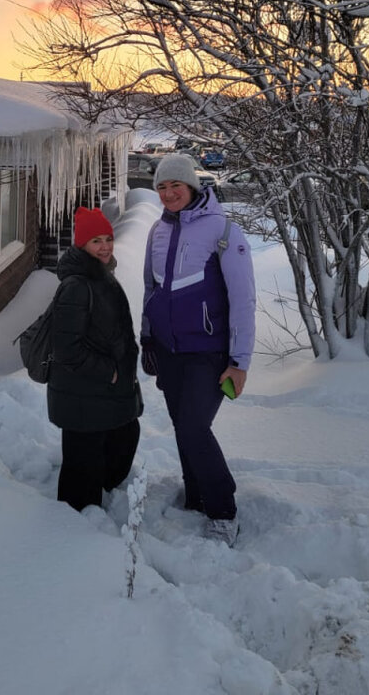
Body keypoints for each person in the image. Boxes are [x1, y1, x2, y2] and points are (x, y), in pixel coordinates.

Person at [140, 153, 256, 544]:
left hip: (209, 351)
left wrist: (239, 362)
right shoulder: (158, 230)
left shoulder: (222, 230)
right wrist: (147, 337)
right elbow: (151, 289)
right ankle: (196, 496)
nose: (169, 193)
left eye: (175, 185)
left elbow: (243, 299)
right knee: (182, 426)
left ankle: (223, 509)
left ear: (192, 186)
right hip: (169, 350)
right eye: (161, 187)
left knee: (193, 426)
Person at [47, 207, 143, 512]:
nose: (105, 247)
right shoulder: (77, 286)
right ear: (81, 245)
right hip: (83, 393)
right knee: (81, 476)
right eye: (95, 241)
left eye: (108, 239)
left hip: (101, 393)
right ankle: (72, 536)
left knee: (125, 436)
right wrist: (110, 373)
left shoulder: (101, 275)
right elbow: (66, 349)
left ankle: (97, 504)